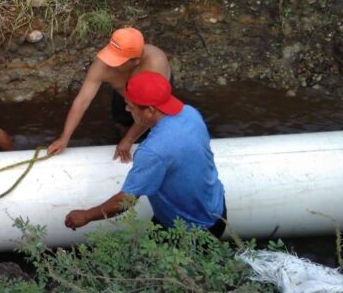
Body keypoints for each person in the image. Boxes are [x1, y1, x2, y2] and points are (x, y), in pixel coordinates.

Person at [64, 71, 226, 238]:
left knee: (155, 261)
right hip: (216, 208)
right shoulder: (190, 113)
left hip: (191, 229)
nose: (126, 109)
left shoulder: (153, 151)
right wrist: (128, 138)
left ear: (149, 110)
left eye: (131, 106)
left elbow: (126, 201)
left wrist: (86, 215)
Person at [47, 27, 171, 162]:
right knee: (122, 124)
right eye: (111, 56)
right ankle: (124, 133)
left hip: (153, 98)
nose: (110, 63)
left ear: (136, 61)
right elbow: (82, 101)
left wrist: (129, 140)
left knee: (156, 125)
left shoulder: (155, 64)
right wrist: (64, 138)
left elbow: (151, 109)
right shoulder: (102, 65)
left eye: (117, 60)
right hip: (123, 93)